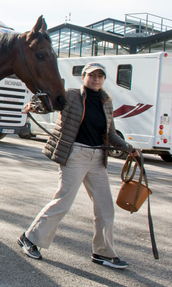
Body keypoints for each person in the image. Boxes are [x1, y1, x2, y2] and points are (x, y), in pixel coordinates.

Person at [18, 62, 140, 269]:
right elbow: (50, 103)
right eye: (92, 75)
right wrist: (34, 107)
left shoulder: (106, 101)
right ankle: (30, 238)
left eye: (100, 76)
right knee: (64, 200)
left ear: (104, 79)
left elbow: (110, 134)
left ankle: (102, 253)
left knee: (105, 206)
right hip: (75, 154)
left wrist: (129, 148)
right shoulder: (71, 95)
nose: (96, 79)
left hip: (97, 157)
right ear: (84, 76)